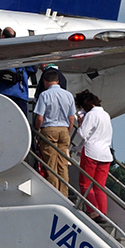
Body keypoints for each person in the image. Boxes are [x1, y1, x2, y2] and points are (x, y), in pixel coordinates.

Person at [33, 69, 75, 197]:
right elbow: (72, 118)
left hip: (49, 129)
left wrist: (37, 131)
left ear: (45, 82)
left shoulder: (44, 95)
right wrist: (68, 131)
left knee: (50, 166)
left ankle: (54, 194)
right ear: (57, 81)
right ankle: (64, 194)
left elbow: (39, 117)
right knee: (62, 165)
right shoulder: (68, 95)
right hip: (64, 129)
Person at [73, 90, 112, 223]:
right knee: (100, 185)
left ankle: (93, 210)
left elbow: (82, 134)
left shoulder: (91, 115)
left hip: (91, 152)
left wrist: (81, 123)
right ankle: (103, 212)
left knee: (85, 183)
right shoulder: (106, 115)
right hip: (105, 154)